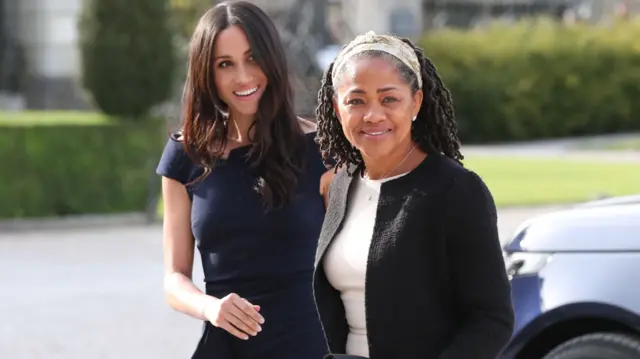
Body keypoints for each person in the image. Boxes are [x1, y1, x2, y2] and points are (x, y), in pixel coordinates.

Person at [313, 31, 515, 359]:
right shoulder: (341, 184)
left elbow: (492, 319)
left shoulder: (455, 191)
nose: (373, 114)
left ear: (416, 102)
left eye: (389, 98)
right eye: (356, 100)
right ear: (338, 108)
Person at [156, 2, 332, 358]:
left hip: (310, 345)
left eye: (253, 59)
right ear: (207, 73)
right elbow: (174, 279)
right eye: (225, 64)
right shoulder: (185, 156)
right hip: (225, 347)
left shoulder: (323, 150)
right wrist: (210, 307)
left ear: (272, 59)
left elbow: (353, 266)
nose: (243, 77)